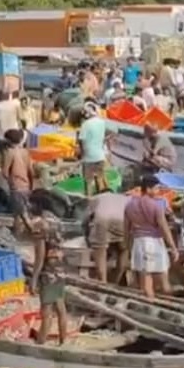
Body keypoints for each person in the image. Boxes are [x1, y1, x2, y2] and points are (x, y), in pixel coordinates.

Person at [124, 175, 179, 298]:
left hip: (138, 243)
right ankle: (168, 304)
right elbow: (164, 228)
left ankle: (150, 302)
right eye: (156, 188)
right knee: (163, 276)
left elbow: (126, 229)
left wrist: (127, 247)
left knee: (145, 278)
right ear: (148, 189)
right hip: (154, 243)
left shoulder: (129, 205)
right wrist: (173, 247)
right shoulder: (156, 206)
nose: (158, 191)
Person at [29, 193, 68, 345]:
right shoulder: (57, 221)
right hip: (60, 269)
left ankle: (41, 344)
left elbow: (40, 255)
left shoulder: (39, 224)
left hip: (48, 272)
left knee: (46, 312)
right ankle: (63, 342)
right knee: (61, 307)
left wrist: (33, 279)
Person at [87, 188, 130, 283]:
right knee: (124, 249)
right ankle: (116, 280)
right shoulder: (124, 198)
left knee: (100, 250)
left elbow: (86, 219)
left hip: (103, 219)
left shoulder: (96, 197)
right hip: (123, 219)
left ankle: (103, 281)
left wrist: (88, 239)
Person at [77, 103, 115, 196]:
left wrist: (81, 154)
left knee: (88, 182)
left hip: (89, 157)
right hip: (100, 156)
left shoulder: (85, 124)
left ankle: (89, 200)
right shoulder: (102, 122)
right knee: (100, 178)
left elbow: (81, 140)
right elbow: (112, 132)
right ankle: (103, 199)